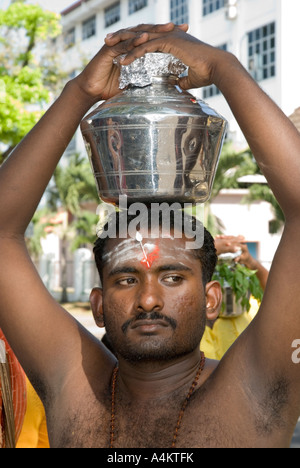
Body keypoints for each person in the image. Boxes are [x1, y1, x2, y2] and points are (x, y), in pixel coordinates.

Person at [0, 23, 300, 448]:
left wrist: (223, 66)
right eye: (126, 279)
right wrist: (79, 93)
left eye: (173, 277)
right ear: (98, 305)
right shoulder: (72, 382)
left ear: (212, 298)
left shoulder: (258, 387)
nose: (148, 300)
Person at [201, 235, 269, 360]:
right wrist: (206, 250)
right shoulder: (193, 327)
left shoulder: (248, 309)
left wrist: (251, 262)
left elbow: (276, 290)